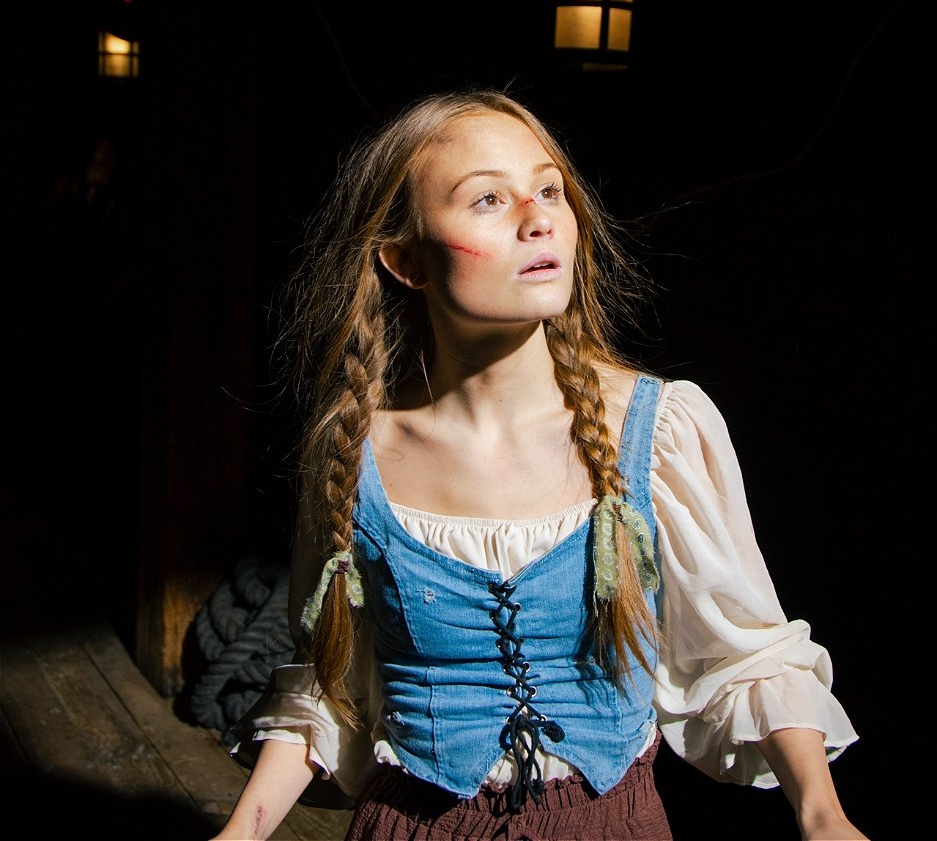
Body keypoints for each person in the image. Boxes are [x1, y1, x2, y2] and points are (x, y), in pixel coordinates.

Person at [210, 88, 868, 840]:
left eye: (550, 190)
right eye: (488, 199)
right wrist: (241, 831)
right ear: (406, 260)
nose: (539, 218)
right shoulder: (356, 455)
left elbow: (747, 652)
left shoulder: (658, 432)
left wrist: (822, 814)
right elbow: (330, 688)